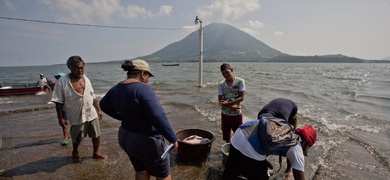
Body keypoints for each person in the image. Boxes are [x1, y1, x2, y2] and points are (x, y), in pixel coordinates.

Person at [99, 59, 178, 180]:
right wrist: (172, 138)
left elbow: (103, 105)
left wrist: (121, 117)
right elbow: (158, 116)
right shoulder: (143, 88)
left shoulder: (116, 88)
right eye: (148, 76)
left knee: (141, 171)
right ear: (142, 74)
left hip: (125, 137)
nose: (148, 80)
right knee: (163, 175)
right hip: (146, 141)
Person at [222, 98, 317, 180]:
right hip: (250, 146)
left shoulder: (284, 127)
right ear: (305, 143)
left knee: (230, 173)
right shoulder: (296, 146)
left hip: (240, 134)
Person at [51, 56, 107, 162]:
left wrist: (98, 110)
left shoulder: (86, 79)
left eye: (81, 67)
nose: (80, 70)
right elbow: (58, 101)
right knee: (77, 137)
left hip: (91, 112)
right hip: (76, 114)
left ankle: (96, 153)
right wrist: (60, 118)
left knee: (96, 134)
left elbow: (92, 96)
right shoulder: (62, 82)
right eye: (76, 68)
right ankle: (75, 151)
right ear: (70, 68)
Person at [218, 63, 245, 143]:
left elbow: (241, 97)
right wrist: (230, 106)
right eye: (223, 73)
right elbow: (220, 100)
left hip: (236, 113)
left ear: (232, 70)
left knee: (239, 134)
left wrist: (228, 104)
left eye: (227, 72)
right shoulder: (221, 84)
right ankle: (228, 148)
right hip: (225, 114)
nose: (225, 75)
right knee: (226, 135)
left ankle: (238, 149)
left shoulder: (240, 81)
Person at [53, 73, 69, 146]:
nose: (58, 79)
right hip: (63, 109)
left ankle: (72, 135)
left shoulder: (68, 87)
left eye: (59, 78)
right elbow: (57, 102)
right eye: (57, 78)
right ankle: (66, 137)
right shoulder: (58, 88)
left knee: (70, 123)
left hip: (70, 109)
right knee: (64, 124)